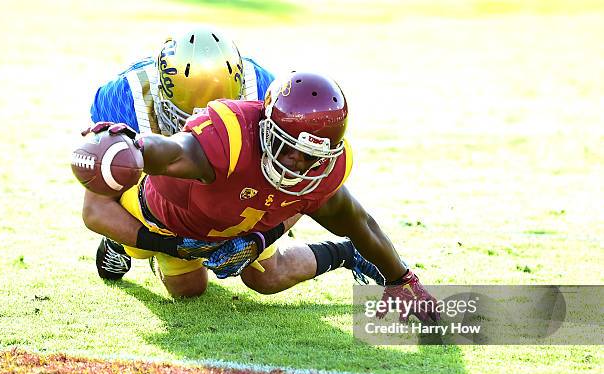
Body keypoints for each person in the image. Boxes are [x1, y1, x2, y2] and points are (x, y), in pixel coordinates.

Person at [81, 71, 438, 322]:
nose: (295, 164)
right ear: (267, 127)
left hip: (241, 220)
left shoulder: (320, 173)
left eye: (310, 156)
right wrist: (136, 147)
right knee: (188, 290)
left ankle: (347, 254)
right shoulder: (233, 136)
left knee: (268, 278)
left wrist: (402, 280)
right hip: (167, 219)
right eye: (286, 148)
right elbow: (173, 152)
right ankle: (123, 246)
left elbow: (358, 222)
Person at [82, 25, 276, 281]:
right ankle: (120, 244)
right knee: (188, 286)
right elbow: (95, 209)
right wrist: (169, 246)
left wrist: (261, 234)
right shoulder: (125, 98)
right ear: (161, 93)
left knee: (266, 272)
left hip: (231, 183)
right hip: (157, 191)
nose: (204, 134)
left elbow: (293, 185)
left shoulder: (264, 90)